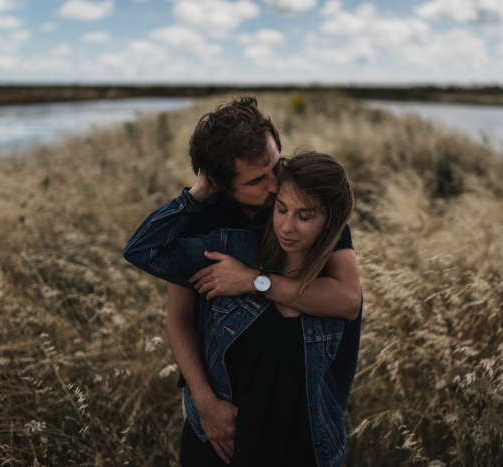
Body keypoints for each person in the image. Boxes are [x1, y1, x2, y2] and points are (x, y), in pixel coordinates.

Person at [124, 95, 362, 463]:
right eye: (256, 180)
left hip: (307, 422)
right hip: (223, 415)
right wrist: (205, 405)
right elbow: (179, 317)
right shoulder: (206, 224)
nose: (274, 185)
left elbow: (348, 299)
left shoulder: (306, 207)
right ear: (221, 182)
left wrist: (254, 281)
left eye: (274, 165)